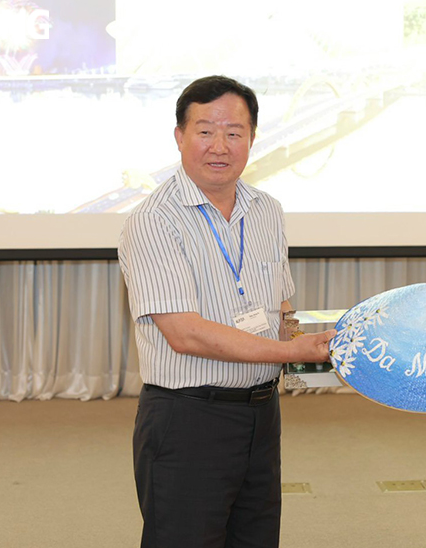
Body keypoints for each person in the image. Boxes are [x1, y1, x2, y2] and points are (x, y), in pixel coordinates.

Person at [118, 75, 335, 548]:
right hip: (188, 418)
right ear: (179, 136)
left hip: (261, 414)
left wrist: (329, 345)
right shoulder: (153, 221)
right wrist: (286, 349)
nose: (220, 145)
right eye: (205, 130)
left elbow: (280, 309)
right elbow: (185, 333)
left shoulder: (267, 211)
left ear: (253, 139)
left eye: (234, 133)